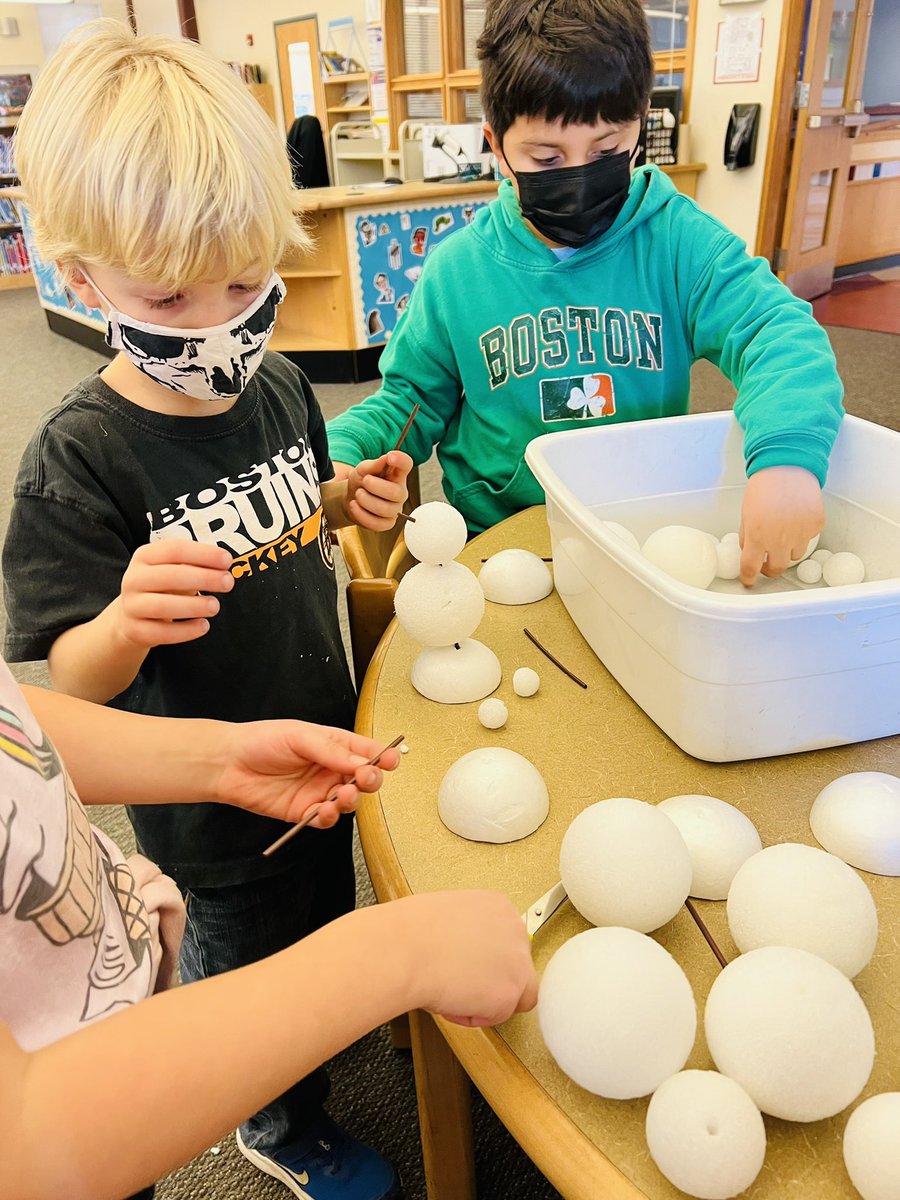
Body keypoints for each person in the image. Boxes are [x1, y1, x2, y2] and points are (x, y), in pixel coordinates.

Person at [2, 21, 415, 1199]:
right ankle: (274, 1122)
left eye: (244, 281)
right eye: (169, 295)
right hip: (204, 804)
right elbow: (40, 699)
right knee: (252, 970)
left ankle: (315, 1037)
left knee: (323, 918)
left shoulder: (280, 384)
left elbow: (281, 516)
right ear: (82, 278)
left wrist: (341, 499)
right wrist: (123, 624)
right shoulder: (79, 464)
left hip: (307, 735)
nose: (217, 325)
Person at [326, 0, 845, 588]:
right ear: (496, 146)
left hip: (640, 541)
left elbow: (778, 334)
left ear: (640, 123)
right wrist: (346, 449)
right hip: (501, 550)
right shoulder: (456, 272)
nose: (578, 173)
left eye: (604, 151)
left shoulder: (676, 241)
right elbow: (408, 403)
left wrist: (786, 460)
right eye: (546, 157)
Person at [0, 658, 538, 1200]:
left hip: (101, 1012)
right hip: (83, 1125)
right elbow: (23, 1150)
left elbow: (12, 723)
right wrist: (401, 954)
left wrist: (219, 760)